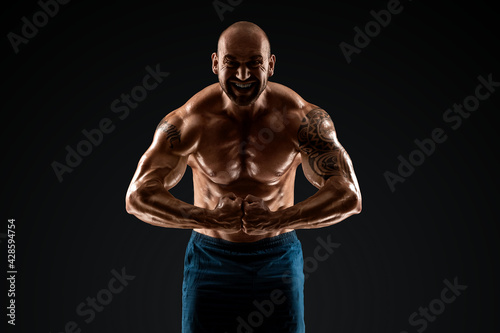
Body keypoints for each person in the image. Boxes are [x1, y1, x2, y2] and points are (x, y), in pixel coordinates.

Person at [125, 21, 361, 333]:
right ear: (214, 64)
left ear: (271, 65)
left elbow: (349, 195)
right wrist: (208, 219)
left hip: (277, 258)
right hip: (210, 260)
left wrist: (279, 220)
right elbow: (137, 197)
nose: (243, 75)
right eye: (231, 63)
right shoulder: (189, 121)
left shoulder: (300, 119)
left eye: (254, 63)